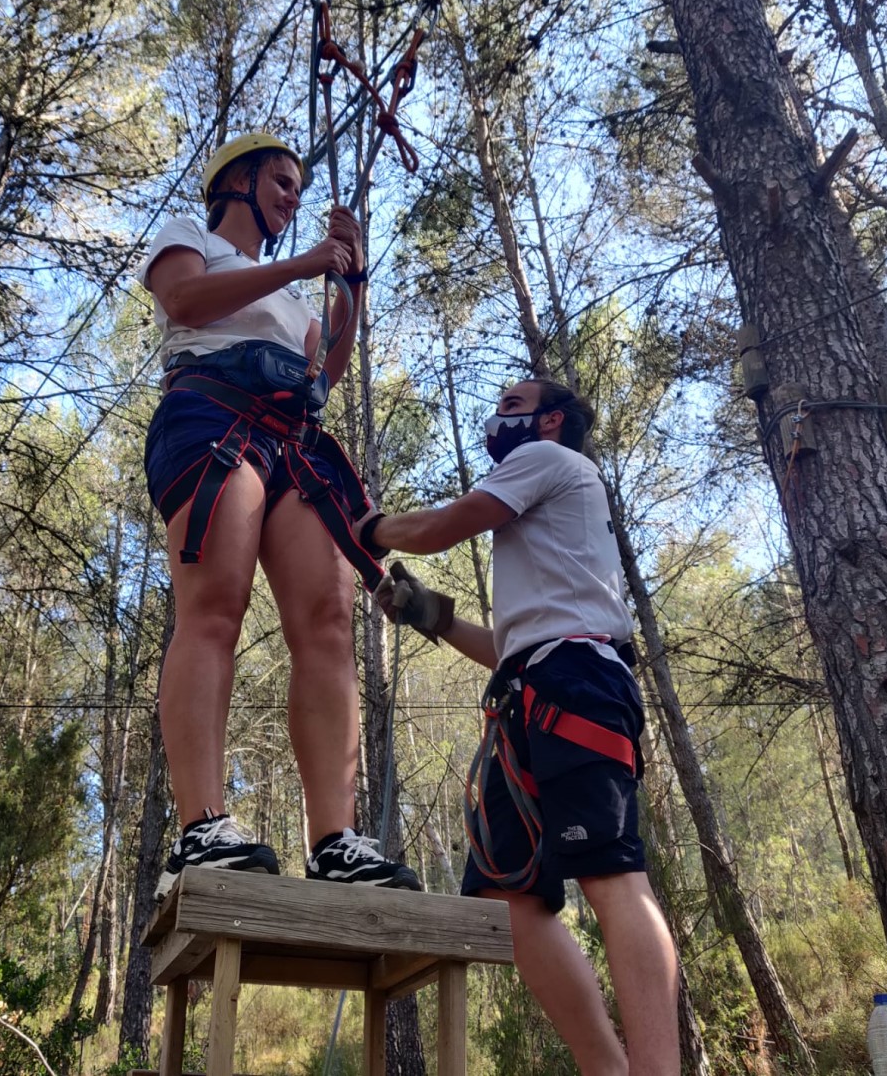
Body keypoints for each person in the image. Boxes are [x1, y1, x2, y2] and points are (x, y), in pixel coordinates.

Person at [355, 377, 679, 1076]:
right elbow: (514, 643)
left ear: (551, 419)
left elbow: (441, 527)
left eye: (511, 407)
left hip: (578, 682)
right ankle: (606, 1066)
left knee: (611, 874)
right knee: (506, 900)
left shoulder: (548, 458)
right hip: (532, 687)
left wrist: (368, 527)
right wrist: (431, 616)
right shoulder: (549, 510)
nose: (495, 419)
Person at [138, 132, 420, 901]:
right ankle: (200, 823)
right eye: (282, 180)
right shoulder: (190, 237)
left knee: (327, 618)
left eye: (299, 186)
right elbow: (185, 301)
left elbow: (320, 372)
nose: (294, 196)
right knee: (215, 606)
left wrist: (348, 287)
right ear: (237, 179)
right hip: (212, 414)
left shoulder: (293, 297)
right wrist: (305, 264)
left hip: (290, 437)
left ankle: (334, 837)